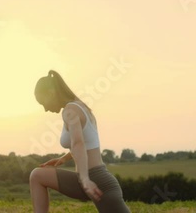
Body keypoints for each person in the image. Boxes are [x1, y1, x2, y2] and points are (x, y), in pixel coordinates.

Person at [29, 70, 131, 213]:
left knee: (37, 175)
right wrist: (64, 158)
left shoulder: (69, 111)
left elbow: (78, 143)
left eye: (43, 102)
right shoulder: (80, 106)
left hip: (97, 181)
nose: (45, 109)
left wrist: (84, 179)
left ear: (51, 92)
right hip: (92, 179)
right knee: (37, 175)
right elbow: (86, 142)